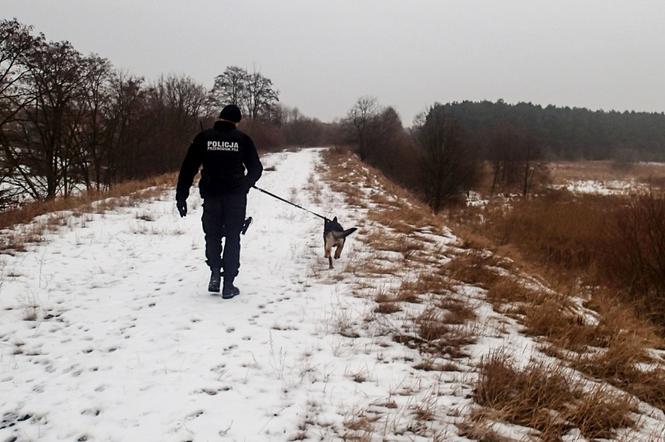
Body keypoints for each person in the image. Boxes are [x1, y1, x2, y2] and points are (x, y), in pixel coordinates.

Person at [175, 104, 263, 298]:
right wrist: (245, 184)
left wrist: (181, 195)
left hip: (212, 196)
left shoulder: (204, 138)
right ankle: (229, 285)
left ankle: (215, 274)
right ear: (236, 121)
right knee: (233, 237)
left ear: (220, 117)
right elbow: (256, 169)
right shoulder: (243, 140)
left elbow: (188, 168)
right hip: (235, 198)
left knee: (212, 236)